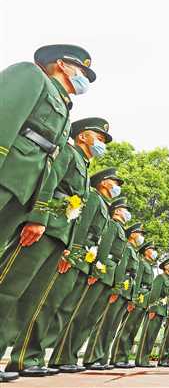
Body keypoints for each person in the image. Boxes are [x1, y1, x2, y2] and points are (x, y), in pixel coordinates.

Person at [0, 43, 96, 384]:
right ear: (60, 64)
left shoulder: (63, 108)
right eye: (81, 70)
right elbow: (4, 118)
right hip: (6, 176)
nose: (84, 77)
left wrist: (36, 209)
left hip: (22, 191)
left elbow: (49, 164)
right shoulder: (31, 76)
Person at [2, 118, 110, 377]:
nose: (102, 144)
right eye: (100, 138)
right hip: (43, 228)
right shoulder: (68, 152)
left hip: (60, 235)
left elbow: (78, 215)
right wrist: (38, 217)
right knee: (9, 287)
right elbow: (50, 182)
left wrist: (69, 248)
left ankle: (24, 361)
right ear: (83, 136)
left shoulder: (84, 169)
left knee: (32, 300)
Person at [48, 169, 124, 372]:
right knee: (63, 308)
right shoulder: (92, 198)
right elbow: (82, 227)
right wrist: (71, 253)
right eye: (114, 182)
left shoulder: (103, 206)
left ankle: (66, 357)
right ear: (104, 183)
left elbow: (99, 243)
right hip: (78, 259)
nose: (117, 186)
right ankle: (56, 357)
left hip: (87, 263)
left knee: (76, 312)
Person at [83, 197, 132, 370]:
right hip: (103, 273)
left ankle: (95, 358)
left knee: (94, 318)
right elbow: (104, 248)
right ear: (118, 210)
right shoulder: (112, 225)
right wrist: (97, 270)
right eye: (125, 209)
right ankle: (86, 358)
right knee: (86, 315)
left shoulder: (119, 229)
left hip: (110, 277)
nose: (128, 213)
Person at [112, 242, 157, 368]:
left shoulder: (150, 266)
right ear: (145, 251)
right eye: (151, 249)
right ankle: (117, 357)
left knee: (133, 330)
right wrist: (134, 298)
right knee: (127, 328)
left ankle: (124, 357)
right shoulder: (142, 263)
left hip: (144, 300)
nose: (154, 251)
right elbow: (136, 281)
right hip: (138, 298)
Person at [135, 259, 169, 367]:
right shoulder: (160, 278)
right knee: (148, 335)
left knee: (152, 337)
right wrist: (152, 309)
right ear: (165, 266)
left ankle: (145, 359)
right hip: (156, 309)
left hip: (162, 311)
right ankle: (140, 360)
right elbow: (154, 293)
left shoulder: (168, 279)